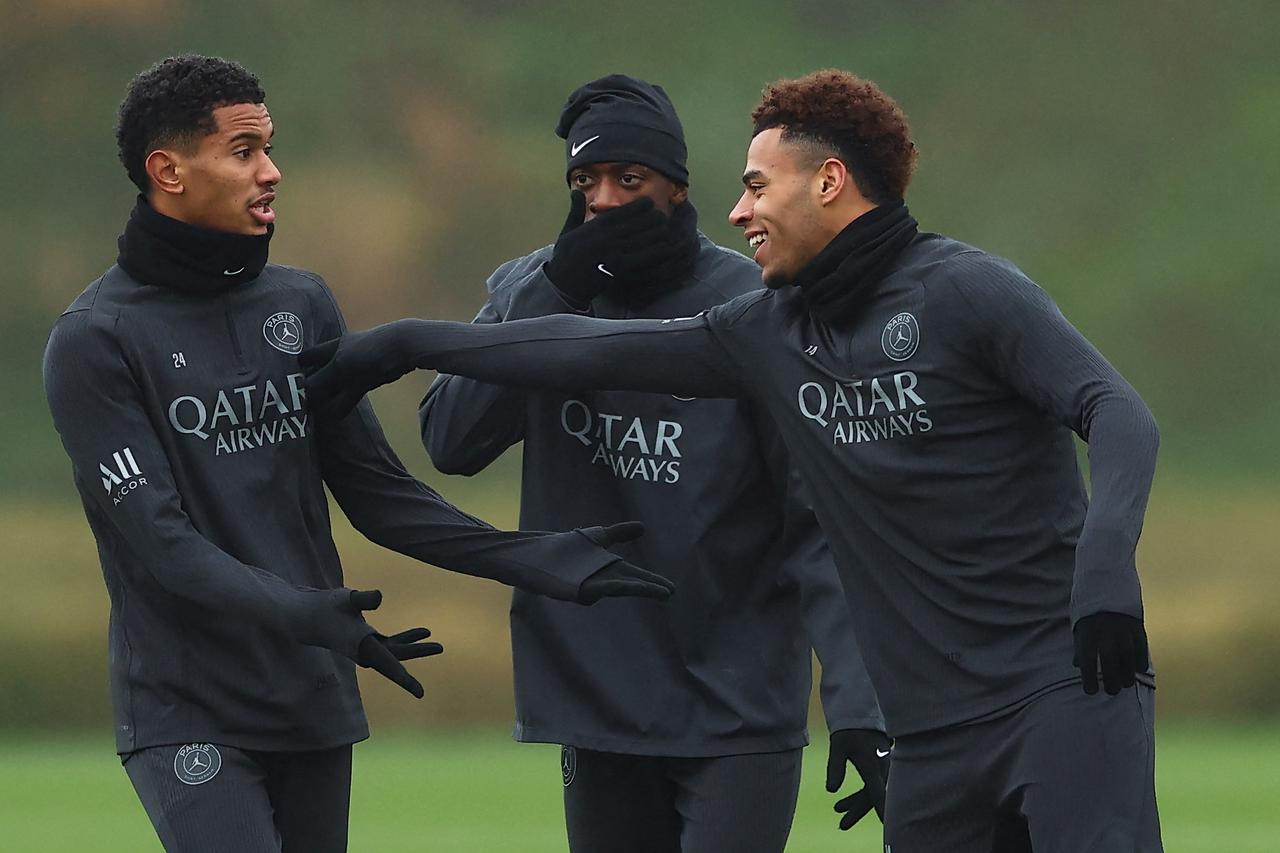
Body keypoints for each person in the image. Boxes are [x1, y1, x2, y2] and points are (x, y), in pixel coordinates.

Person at [302, 68, 1165, 852]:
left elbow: (1118, 411)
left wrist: (1105, 572)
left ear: (828, 182)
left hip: (1062, 685)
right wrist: (404, 343)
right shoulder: (766, 331)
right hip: (933, 729)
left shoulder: (967, 289)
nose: (739, 211)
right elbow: (585, 349)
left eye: (756, 186)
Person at [42, 55, 672, 853]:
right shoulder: (94, 340)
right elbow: (163, 545)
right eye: (244, 152)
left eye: (269, 148)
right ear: (168, 170)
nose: (271, 171)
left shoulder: (299, 302)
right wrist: (301, 610)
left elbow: (380, 495)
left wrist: (528, 556)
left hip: (313, 690)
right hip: (186, 704)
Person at [418, 75, 887, 853]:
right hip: (597, 703)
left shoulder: (759, 306)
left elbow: (821, 526)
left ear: (677, 186)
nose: (604, 199)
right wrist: (557, 290)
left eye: (629, 178)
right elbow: (451, 440)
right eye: (585, 181)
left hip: (736, 707)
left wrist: (859, 701)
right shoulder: (534, 288)